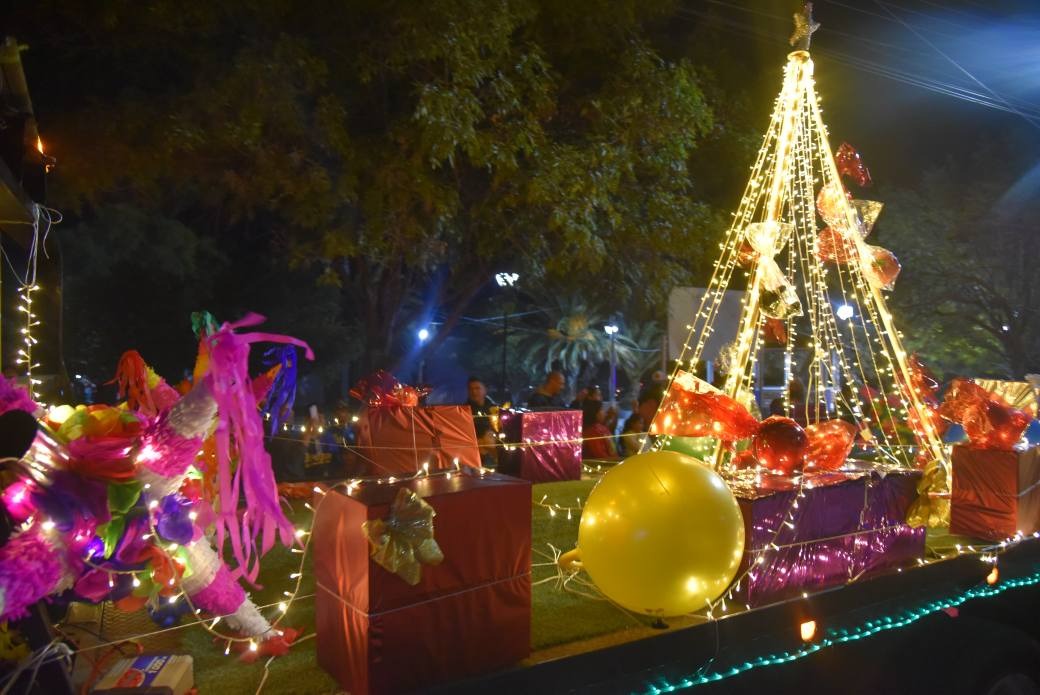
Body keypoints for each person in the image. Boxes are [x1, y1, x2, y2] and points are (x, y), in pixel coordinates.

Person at [465, 377, 498, 468]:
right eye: (471, 389)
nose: (474, 392)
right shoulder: (463, 410)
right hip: (473, 452)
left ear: (485, 390)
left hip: (494, 451)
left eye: (477, 388)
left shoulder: (494, 409)